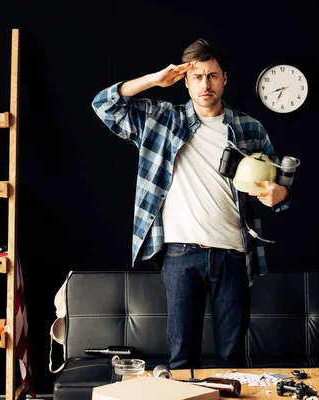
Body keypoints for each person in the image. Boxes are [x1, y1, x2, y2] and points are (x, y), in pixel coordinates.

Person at [91, 38, 291, 369]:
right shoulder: (161, 119)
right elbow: (103, 104)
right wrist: (154, 80)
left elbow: (281, 184)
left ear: (224, 78)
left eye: (212, 76)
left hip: (234, 255)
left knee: (232, 358)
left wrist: (279, 195)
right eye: (197, 77)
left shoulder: (249, 127)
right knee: (183, 359)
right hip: (181, 254)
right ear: (185, 81)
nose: (205, 84)